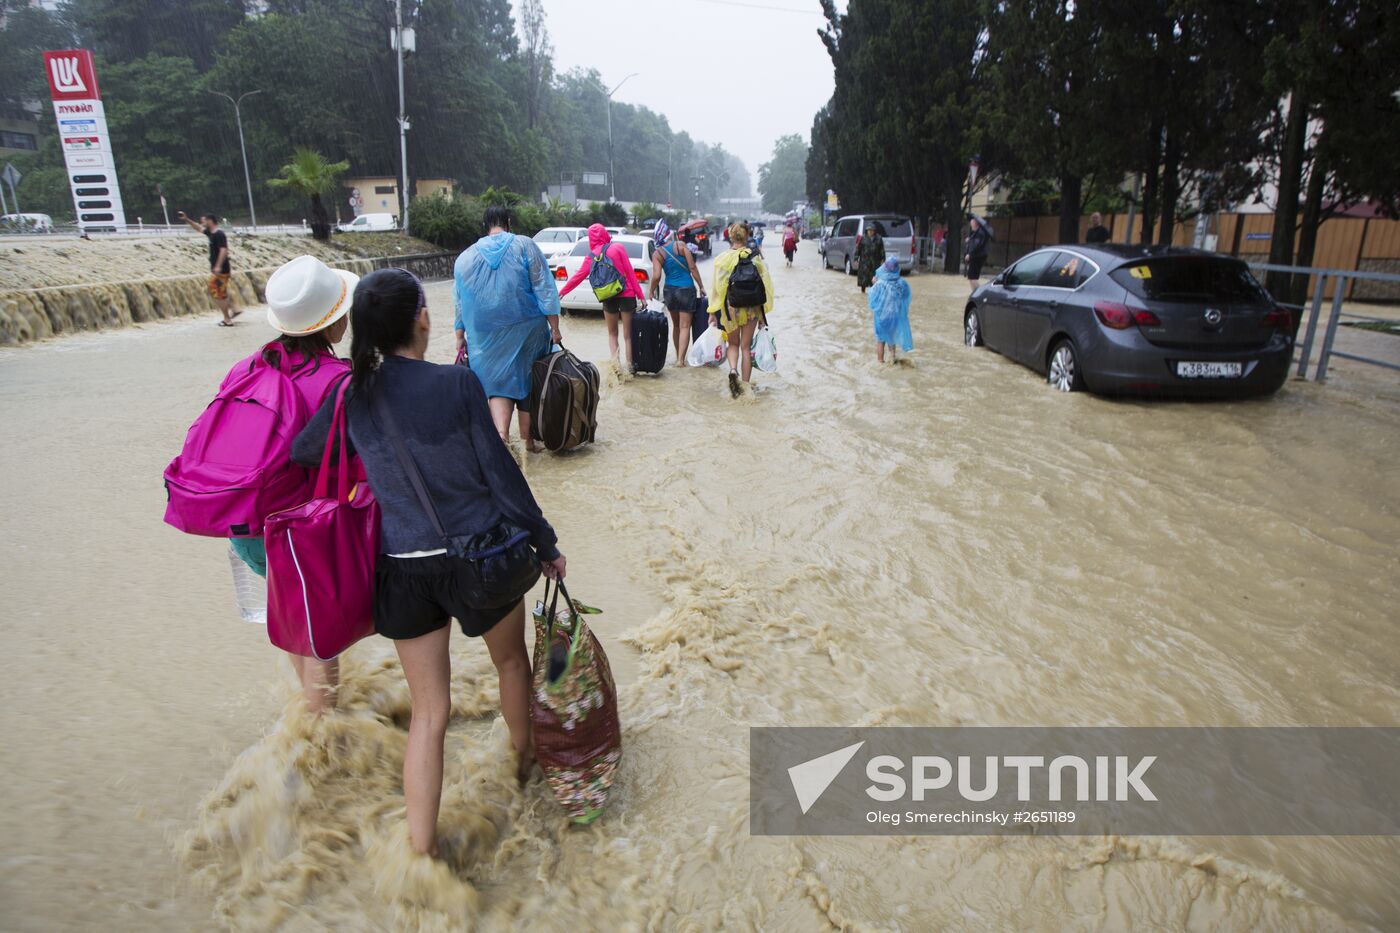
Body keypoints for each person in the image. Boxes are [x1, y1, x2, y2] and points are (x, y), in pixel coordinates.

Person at [291, 268, 566, 858]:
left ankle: (421, 852)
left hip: (403, 570)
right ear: (421, 318)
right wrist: (545, 543)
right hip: (479, 562)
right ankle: (520, 768)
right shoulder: (456, 384)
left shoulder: (349, 392)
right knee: (512, 665)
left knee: (428, 714)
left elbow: (305, 452)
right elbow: (501, 474)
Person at [224, 254, 359, 712]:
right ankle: (325, 739)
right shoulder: (339, 381)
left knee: (292, 622)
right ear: (334, 325)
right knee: (322, 637)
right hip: (303, 534)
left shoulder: (245, 369)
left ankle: (310, 714)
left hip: (245, 530)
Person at [454, 205, 562, 450]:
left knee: (497, 384)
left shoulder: (465, 257)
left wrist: (459, 336)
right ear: (509, 222)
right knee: (527, 377)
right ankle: (528, 442)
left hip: (483, 335)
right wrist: (554, 327)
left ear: (485, 225)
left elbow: (460, 301)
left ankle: (502, 437)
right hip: (527, 327)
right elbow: (544, 287)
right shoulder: (524, 245)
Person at [558, 223, 645, 371]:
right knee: (628, 336)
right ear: (605, 234)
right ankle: (630, 369)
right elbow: (630, 273)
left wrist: (561, 293)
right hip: (627, 294)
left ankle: (616, 368)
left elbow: (578, 277)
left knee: (612, 334)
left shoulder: (591, 256)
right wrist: (641, 296)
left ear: (591, 239)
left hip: (607, 295)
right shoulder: (618, 248)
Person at [709, 223, 774, 397]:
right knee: (745, 347)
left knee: (733, 345)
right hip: (752, 308)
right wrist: (762, 314)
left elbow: (717, 289)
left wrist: (712, 313)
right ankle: (745, 386)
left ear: (731, 237)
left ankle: (732, 370)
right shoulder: (754, 258)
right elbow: (764, 287)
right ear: (746, 237)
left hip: (731, 309)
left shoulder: (722, 259)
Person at [649, 220, 707, 367]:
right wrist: (701, 286)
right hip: (686, 290)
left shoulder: (657, 254)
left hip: (670, 291)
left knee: (676, 326)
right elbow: (692, 268)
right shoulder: (681, 246)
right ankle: (681, 360)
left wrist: (650, 292)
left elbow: (656, 276)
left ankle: (677, 357)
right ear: (669, 234)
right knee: (685, 326)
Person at [178, 210, 239, 326]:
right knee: (220, 292)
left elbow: (223, 250)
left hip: (221, 270)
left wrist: (218, 266)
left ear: (210, 221)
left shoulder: (219, 234)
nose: (202, 223)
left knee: (218, 292)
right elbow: (198, 228)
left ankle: (227, 319)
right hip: (219, 270)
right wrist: (186, 219)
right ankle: (234, 309)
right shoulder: (211, 233)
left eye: (204, 221)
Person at [867, 255, 914, 363]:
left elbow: (872, 298)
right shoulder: (901, 284)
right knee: (891, 339)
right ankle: (892, 358)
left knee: (880, 340)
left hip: (881, 318)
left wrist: (874, 284)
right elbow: (906, 295)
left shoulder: (880, 284)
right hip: (894, 316)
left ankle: (880, 361)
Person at [964, 216, 991, 294]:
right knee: (972, 277)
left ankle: (979, 293)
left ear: (976, 224)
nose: (971, 225)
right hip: (977, 256)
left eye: (972, 224)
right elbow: (975, 242)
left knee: (973, 277)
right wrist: (969, 240)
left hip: (977, 257)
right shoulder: (978, 232)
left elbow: (976, 245)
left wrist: (970, 254)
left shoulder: (980, 233)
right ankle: (975, 293)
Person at [856, 222, 885, 293]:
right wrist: (856, 258)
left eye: (872, 230)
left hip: (875, 261)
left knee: (874, 278)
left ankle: (873, 292)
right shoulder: (863, 238)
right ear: (867, 231)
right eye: (869, 230)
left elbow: (882, 250)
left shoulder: (879, 238)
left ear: (874, 231)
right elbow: (858, 249)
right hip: (864, 262)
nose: (870, 232)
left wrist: (883, 260)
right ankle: (863, 291)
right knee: (864, 277)